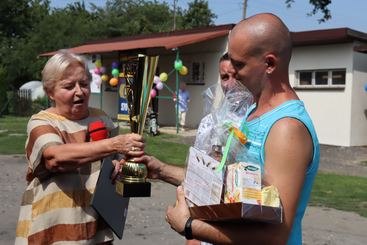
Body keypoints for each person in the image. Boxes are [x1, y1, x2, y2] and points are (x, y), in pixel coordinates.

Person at [135, 13, 319, 245]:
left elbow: (275, 237)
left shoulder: (286, 129)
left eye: (239, 64)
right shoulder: (253, 110)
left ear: (270, 64)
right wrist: (160, 170)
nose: (232, 73)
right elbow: (230, 188)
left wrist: (190, 226)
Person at [15, 50, 145, 244]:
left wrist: (121, 165)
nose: (80, 91)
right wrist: (114, 144)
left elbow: (117, 160)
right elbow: (54, 158)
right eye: (69, 86)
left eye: (84, 84)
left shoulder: (102, 117)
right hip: (52, 225)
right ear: (50, 91)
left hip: (95, 224)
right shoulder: (41, 121)